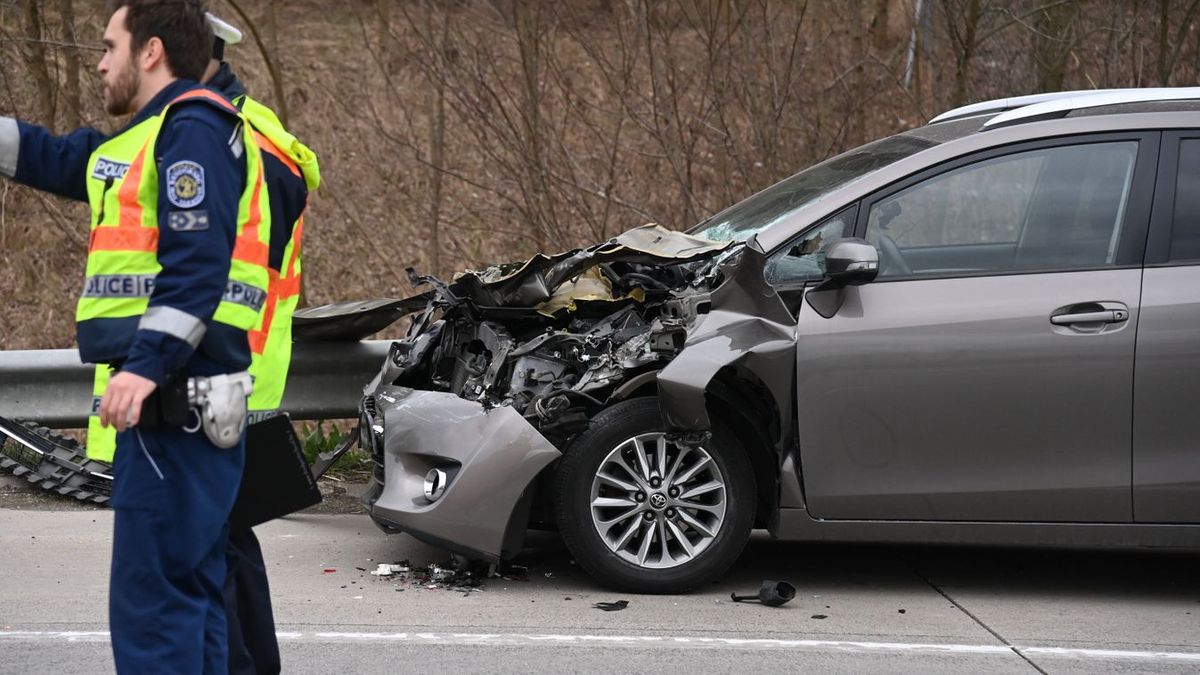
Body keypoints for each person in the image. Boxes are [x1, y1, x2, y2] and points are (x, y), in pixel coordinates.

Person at [2, 1, 271, 671]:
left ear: (150, 51)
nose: (99, 63)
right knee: (191, 602)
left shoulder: (193, 129)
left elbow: (196, 266)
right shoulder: (150, 138)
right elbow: (59, 157)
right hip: (186, 411)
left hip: (174, 407)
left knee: (155, 612)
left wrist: (146, 365)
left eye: (109, 46)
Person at [204, 13, 319, 675]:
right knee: (226, 538)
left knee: (208, 547)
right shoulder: (243, 139)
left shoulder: (239, 150)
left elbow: (231, 279)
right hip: (234, 373)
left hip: (222, 375)